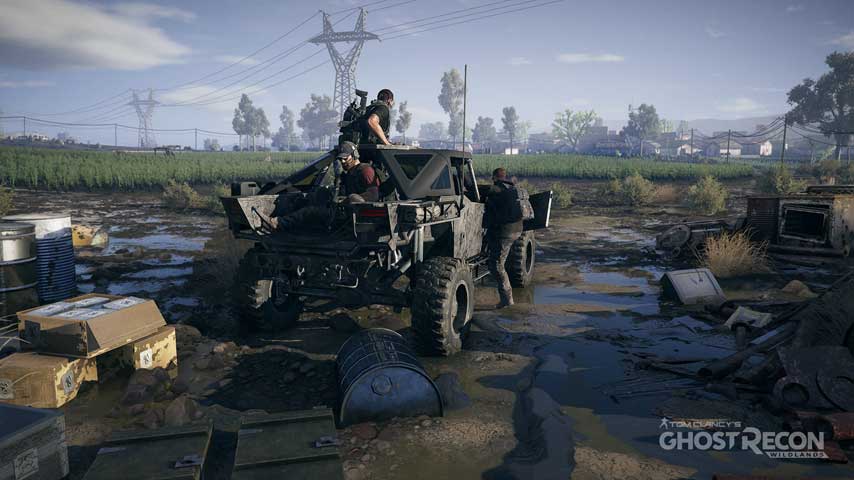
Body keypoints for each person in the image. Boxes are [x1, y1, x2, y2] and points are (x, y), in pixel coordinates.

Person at [484, 167, 524, 308]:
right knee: (498, 259)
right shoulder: (512, 187)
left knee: (496, 265)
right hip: (516, 229)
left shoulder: (497, 189)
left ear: (495, 177)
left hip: (505, 232)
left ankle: (507, 300)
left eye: (493, 178)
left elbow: (479, 189)